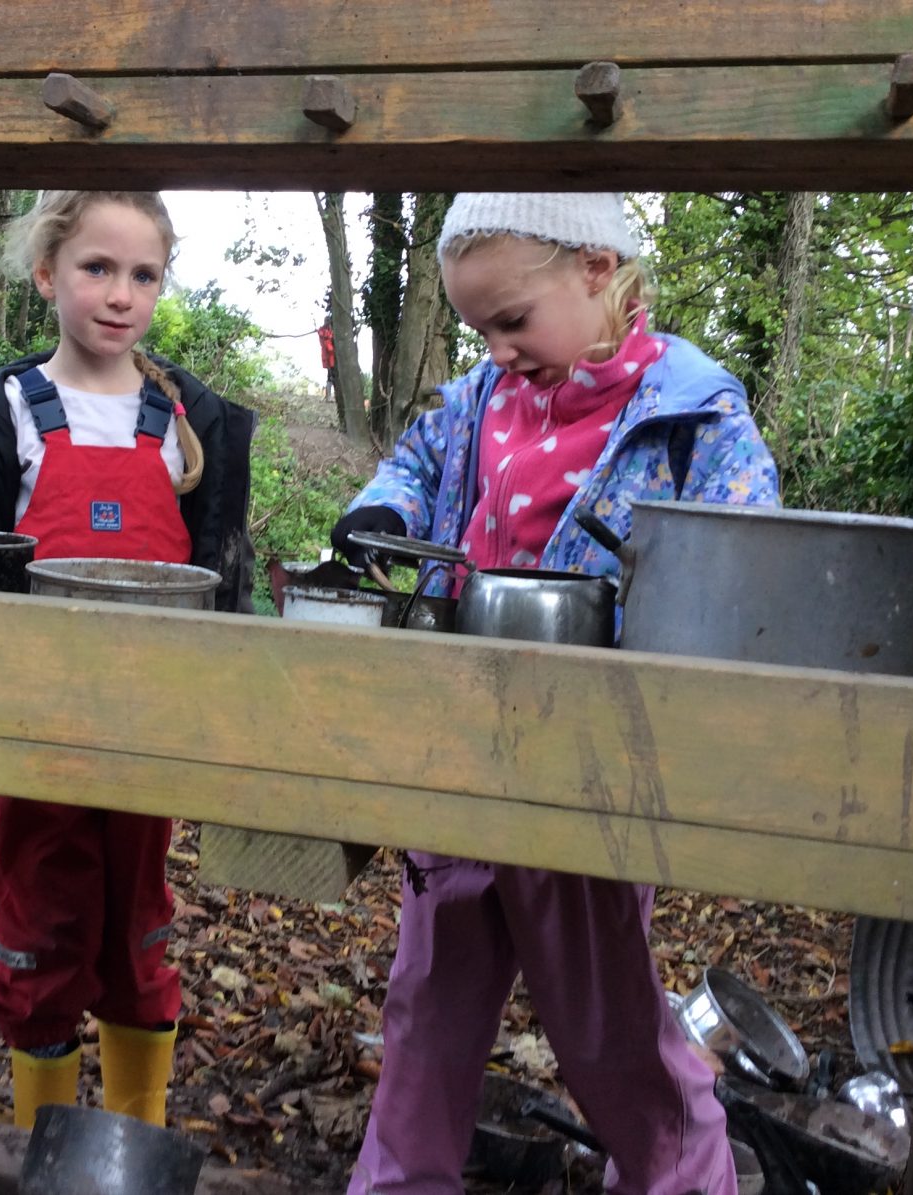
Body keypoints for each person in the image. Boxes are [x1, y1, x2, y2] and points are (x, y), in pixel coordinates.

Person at [330, 193, 779, 1195]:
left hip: (590, 770)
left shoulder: (689, 413)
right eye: (479, 329)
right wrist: (381, 512)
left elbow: (746, 562)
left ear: (596, 269)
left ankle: (681, 1176)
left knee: (606, 1026)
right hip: (461, 745)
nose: (497, 350)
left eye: (512, 320)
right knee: (427, 1010)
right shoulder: (478, 400)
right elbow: (413, 465)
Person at [0, 190, 256, 1130]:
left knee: (141, 928)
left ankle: (137, 1142)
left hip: (149, 724)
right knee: (41, 927)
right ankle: (41, 1144)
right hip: (37, 725)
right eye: (97, 268)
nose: (120, 294)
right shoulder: (6, 411)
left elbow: (221, 573)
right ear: (46, 274)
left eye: (144, 275)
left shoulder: (186, 418)